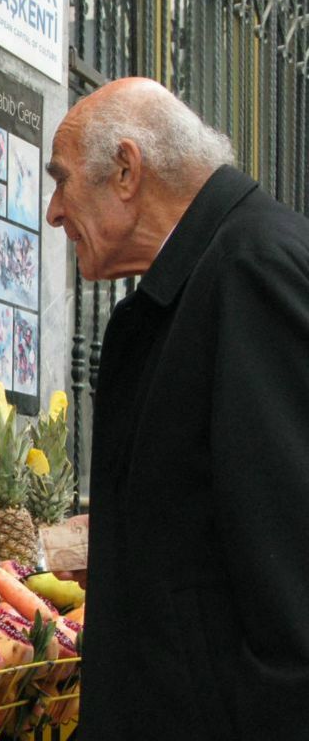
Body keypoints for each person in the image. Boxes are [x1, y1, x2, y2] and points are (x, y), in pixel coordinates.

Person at [45, 76, 309, 739]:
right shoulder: (204, 282)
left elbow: (287, 563)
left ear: (126, 171)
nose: (52, 211)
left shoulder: (251, 270)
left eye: (62, 180)